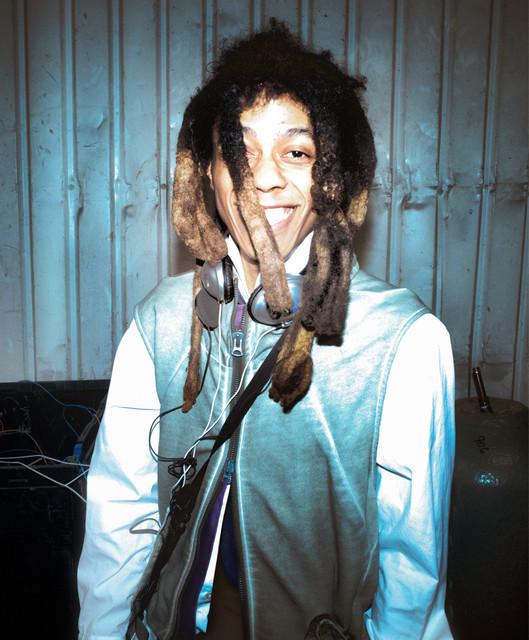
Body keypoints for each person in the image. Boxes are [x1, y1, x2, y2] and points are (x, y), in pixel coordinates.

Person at [78, 23, 455, 640]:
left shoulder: (403, 341)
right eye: (239, 150)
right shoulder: (159, 322)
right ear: (208, 172)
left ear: (334, 173)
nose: (265, 178)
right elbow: (119, 520)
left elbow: (412, 572)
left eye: (296, 152)